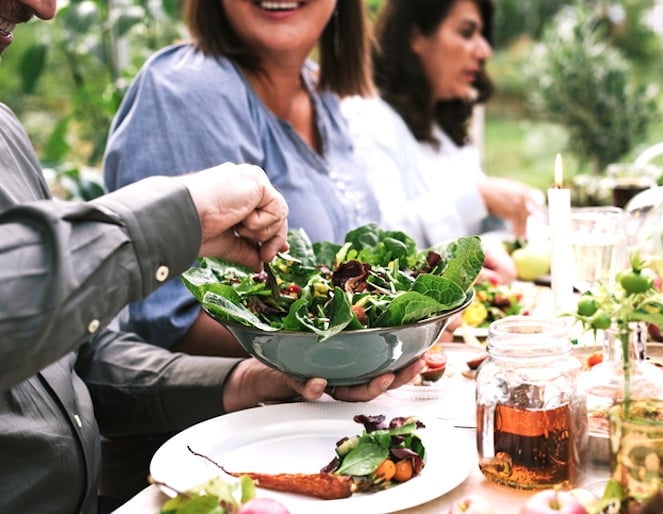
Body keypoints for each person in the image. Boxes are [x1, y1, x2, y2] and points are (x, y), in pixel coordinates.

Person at [0, 1, 423, 512]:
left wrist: (251, 380)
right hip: (191, 460)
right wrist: (181, 216)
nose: (45, 7)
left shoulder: (6, 134)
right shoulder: (188, 88)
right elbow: (158, 319)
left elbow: (79, 361)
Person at [102, 0, 380, 357]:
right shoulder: (190, 87)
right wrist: (348, 346)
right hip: (237, 410)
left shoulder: (318, 90)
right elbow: (171, 322)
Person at [342, 0, 542, 282]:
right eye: (466, 32)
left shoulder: (444, 127)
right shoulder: (368, 120)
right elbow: (377, 243)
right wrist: (479, 197)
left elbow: (475, 232)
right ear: (415, 37)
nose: (484, 50)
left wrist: (504, 205)